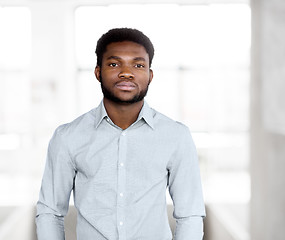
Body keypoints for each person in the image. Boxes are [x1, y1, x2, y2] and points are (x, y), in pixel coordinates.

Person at [35, 28, 206, 240]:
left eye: (138, 65)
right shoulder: (68, 137)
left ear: (150, 75)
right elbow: (50, 212)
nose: (127, 72)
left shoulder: (176, 136)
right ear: (98, 72)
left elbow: (190, 214)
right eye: (114, 64)